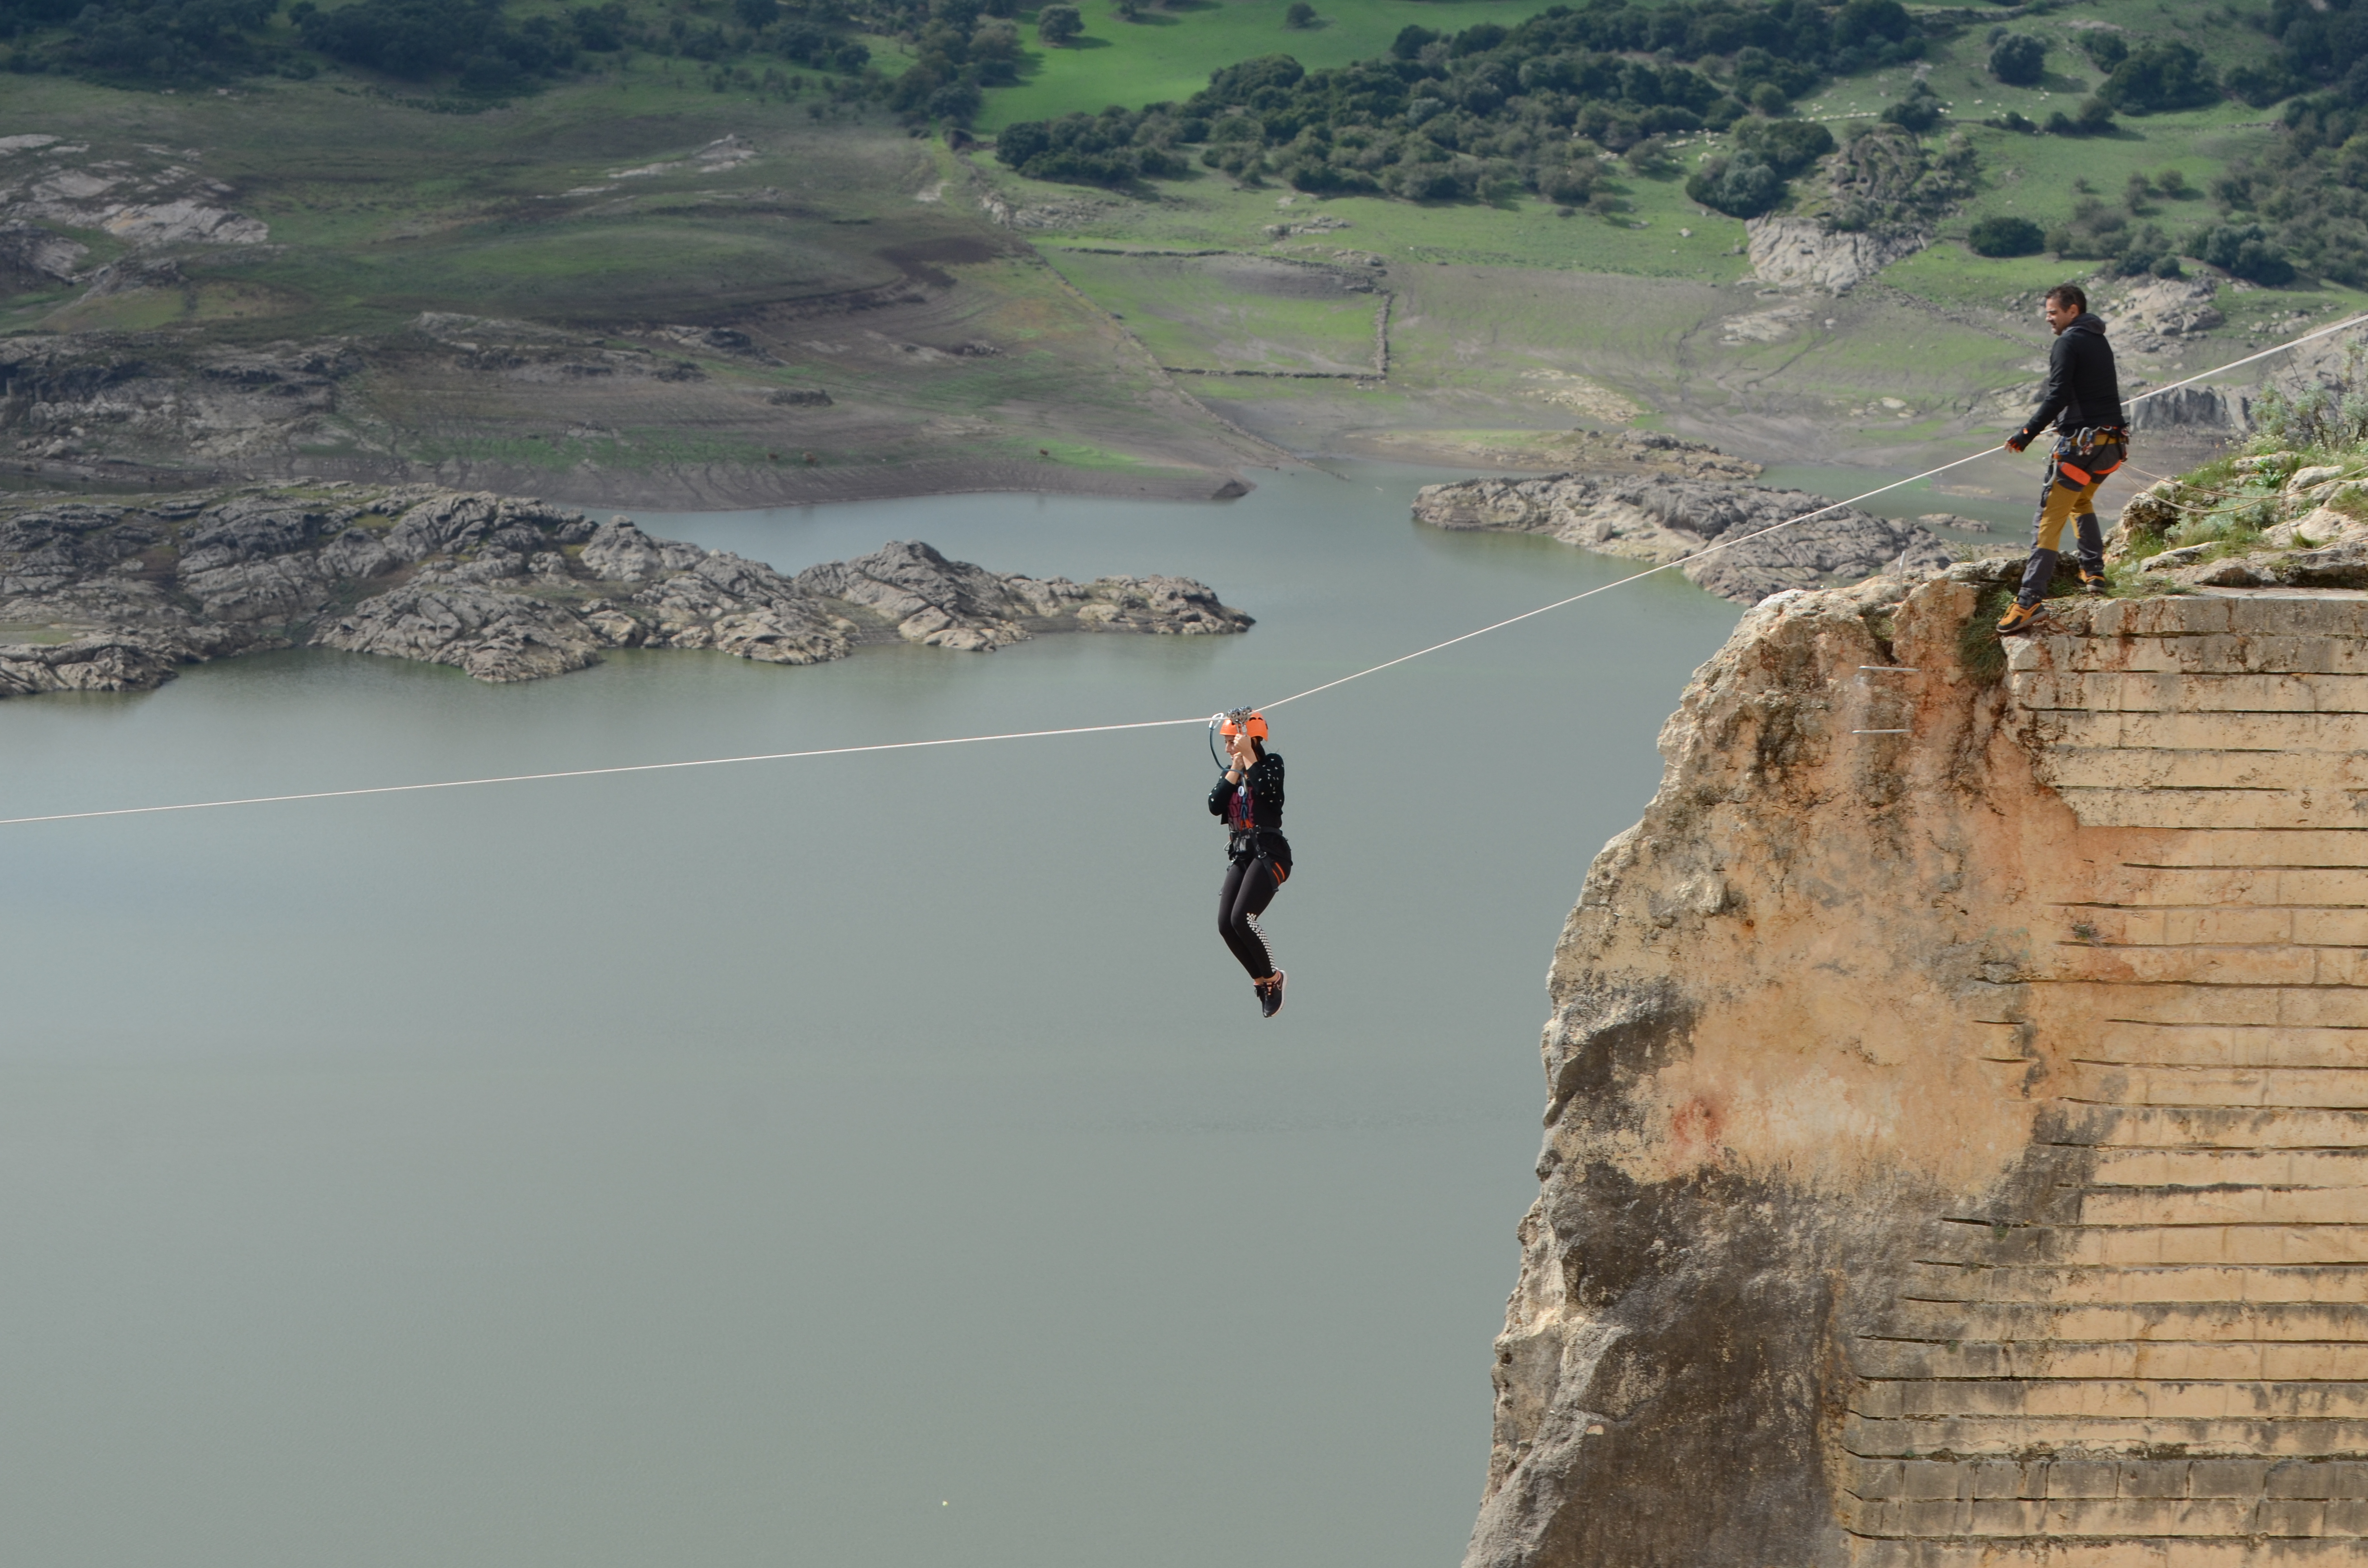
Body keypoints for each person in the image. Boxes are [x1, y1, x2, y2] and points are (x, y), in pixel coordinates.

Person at [1997, 283, 2128, 635]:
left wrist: (2027, 433)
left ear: (2073, 310)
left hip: (2080, 447)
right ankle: (2094, 571)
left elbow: (2057, 395)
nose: (2049, 319)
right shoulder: (2099, 341)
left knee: (2048, 520)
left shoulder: (2068, 342)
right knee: (2080, 500)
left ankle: (2029, 600)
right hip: (2110, 445)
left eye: (2053, 312)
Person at [1209, 709, 1291, 1018]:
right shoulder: (1232, 772)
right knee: (1226, 925)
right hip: (1242, 855)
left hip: (1270, 853)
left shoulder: (1271, 764)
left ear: (1250, 739)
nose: (1229, 748)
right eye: (1228, 743)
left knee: (1244, 917)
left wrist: (1250, 757)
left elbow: (1270, 793)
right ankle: (1260, 981)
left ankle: (1273, 979)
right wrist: (1235, 766)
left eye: (1233, 742)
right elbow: (1215, 804)